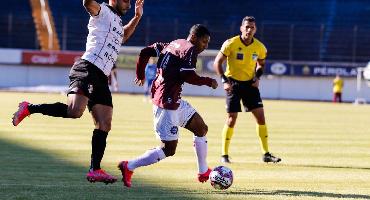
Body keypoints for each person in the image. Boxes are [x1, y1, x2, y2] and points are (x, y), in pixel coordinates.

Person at [12, 0, 144, 184]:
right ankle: (29, 108)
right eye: (124, 0)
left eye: (130, 1)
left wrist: (137, 17)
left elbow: (123, 36)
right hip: (88, 68)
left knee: (105, 123)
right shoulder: (103, 11)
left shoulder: (117, 21)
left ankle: (95, 169)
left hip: (101, 76)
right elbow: (87, 3)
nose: (128, 4)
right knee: (74, 111)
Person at [117, 24, 218, 188]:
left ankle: (203, 171)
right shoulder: (190, 49)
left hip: (174, 101)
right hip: (166, 104)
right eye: (204, 42)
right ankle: (129, 166)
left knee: (201, 128)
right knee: (169, 149)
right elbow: (187, 75)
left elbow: (145, 52)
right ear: (194, 38)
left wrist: (140, 74)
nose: (205, 46)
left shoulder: (174, 44)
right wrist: (208, 81)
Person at [213, 16, 281, 164]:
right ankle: (224, 154)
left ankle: (266, 154)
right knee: (232, 119)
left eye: (252, 27)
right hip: (233, 84)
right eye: (247, 27)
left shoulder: (260, 47)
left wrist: (257, 77)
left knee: (261, 118)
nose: (249, 30)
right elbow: (217, 62)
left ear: (255, 29)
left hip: (250, 85)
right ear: (241, 28)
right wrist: (224, 80)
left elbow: (261, 64)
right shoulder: (230, 43)